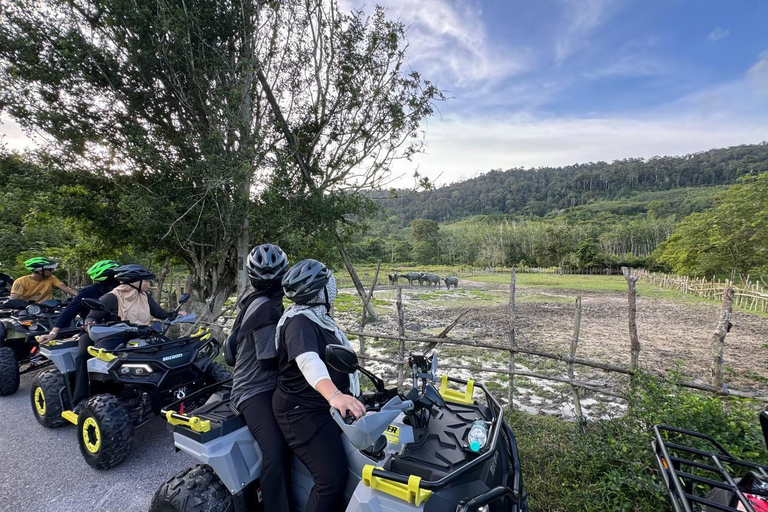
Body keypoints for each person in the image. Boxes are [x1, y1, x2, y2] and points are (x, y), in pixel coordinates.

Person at [272, 259, 365, 512]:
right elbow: (308, 360)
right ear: (319, 292)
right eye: (329, 284)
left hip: (320, 405)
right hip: (301, 411)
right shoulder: (299, 323)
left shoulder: (318, 317)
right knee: (332, 480)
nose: (333, 287)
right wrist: (335, 395)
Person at [228, 244, 293, 512]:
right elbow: (269, 360)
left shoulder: (253, 300)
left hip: (265, 384)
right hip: (253, 389)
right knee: (275, 451)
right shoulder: (266, 308)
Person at [71, 263, 179, 411]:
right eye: (146, 280)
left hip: (139, 332)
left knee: (168, 350)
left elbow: (160, 313)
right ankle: (82, 399)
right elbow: (92, 316)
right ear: (135, 282)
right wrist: (90, 322)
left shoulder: (144, 296)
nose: (148, 284)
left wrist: (175, 314)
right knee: (86, 356)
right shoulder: (111, 297)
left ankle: (164, 390)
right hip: (110, 334)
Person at [37, 260, 121, 344]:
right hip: (93, 331)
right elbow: (69, 311)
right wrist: (53, 333)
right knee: (83, 354)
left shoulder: (127, 291)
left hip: (123, 329)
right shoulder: (89, 291)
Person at [10, 257, 77, 302]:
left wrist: (81, 296)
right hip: (28, 310)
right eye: (50, 269)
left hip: (47, 308)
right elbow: (13, 300)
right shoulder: (20, 281)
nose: (52, 271)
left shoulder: (52, 278)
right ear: (40, 271)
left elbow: (66, 289)